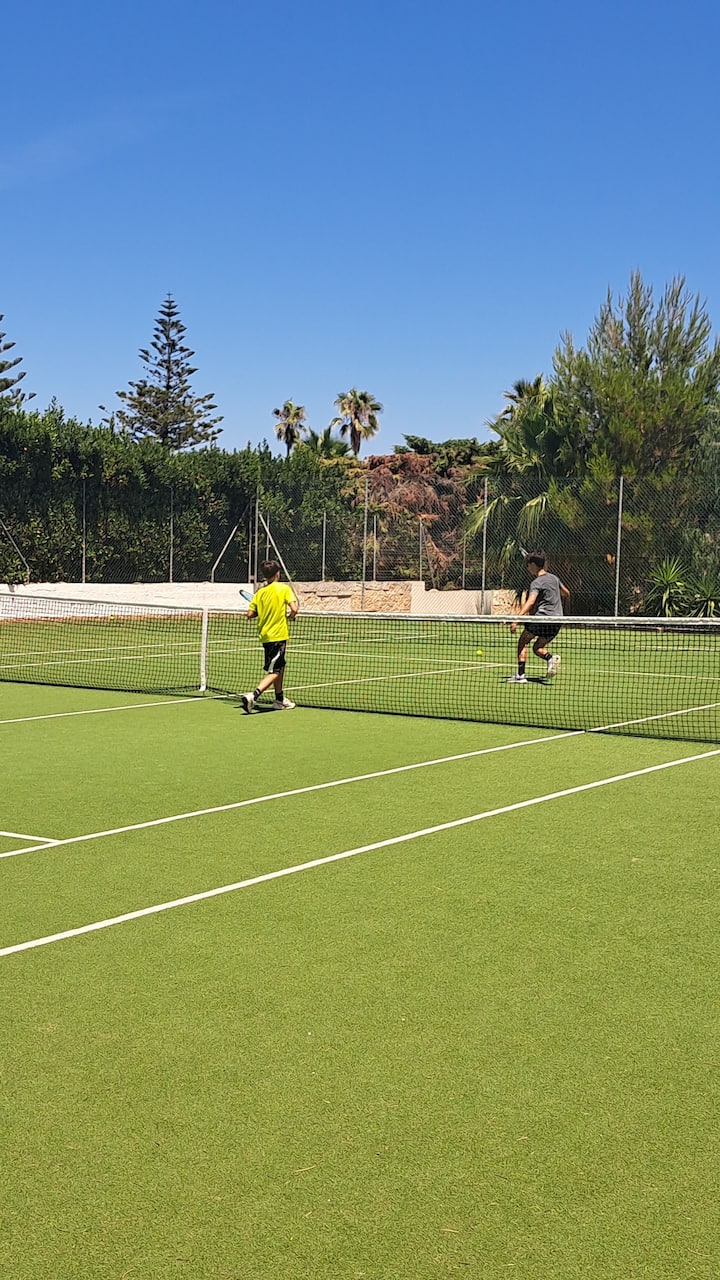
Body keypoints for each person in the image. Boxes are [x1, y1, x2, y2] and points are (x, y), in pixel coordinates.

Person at [241, 560, 299, 712]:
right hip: (278, 636)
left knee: (280, 666)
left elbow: (250, 614)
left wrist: (263, 610)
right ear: (277, 573)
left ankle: (279, 699)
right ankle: (253, 696)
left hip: (265, 637)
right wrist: (291, 616)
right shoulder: (284, 589)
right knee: (275, 671)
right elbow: (294, 608)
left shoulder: (260, 593)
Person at [506, 551, 570, 684]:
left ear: (534, 565)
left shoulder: (536, 582)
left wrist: (516, 619)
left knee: (523, 641)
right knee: (537, 648)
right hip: (557, 621)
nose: (528, 567)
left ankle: (520, 675)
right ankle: (550, 658)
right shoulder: (554, 578)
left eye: (529, 564)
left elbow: (530, 602)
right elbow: (566, 593)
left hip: (542, 618)